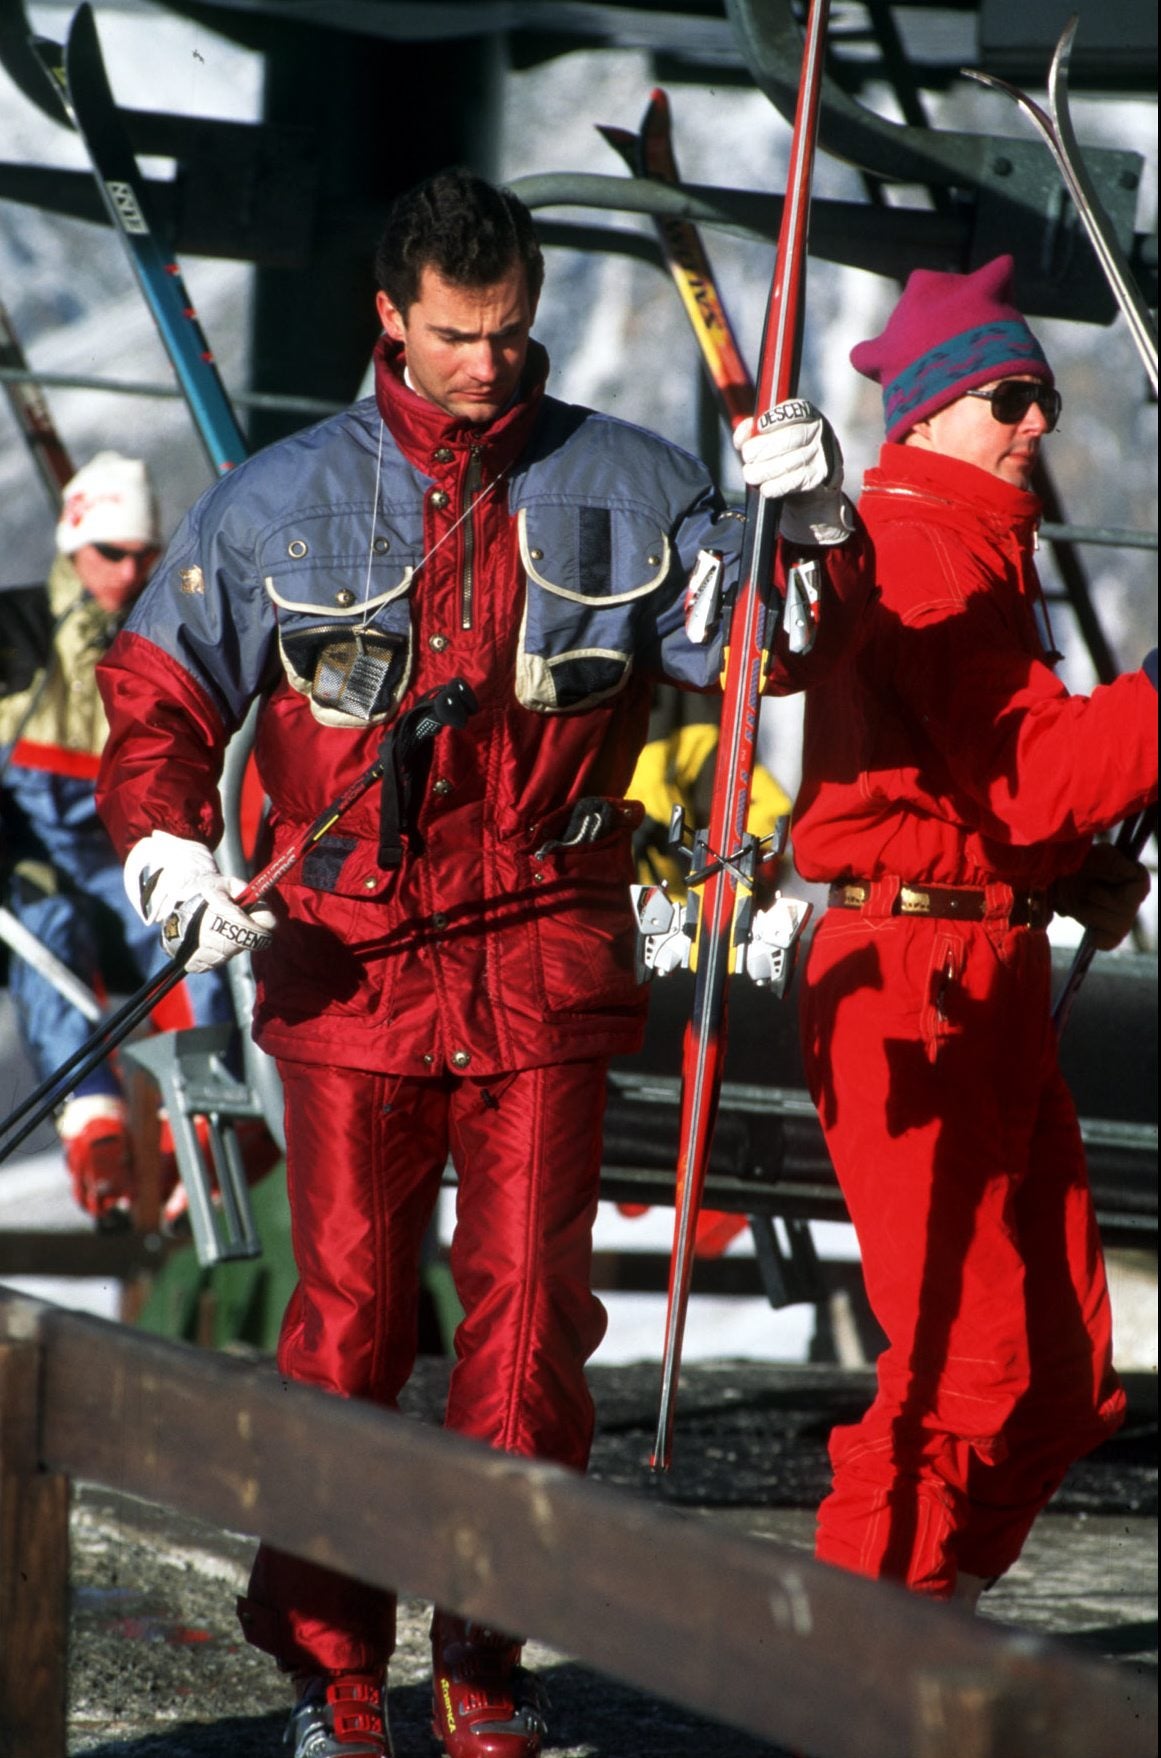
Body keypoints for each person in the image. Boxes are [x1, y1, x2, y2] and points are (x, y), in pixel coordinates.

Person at [93, 168, 873, 1758]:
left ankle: (484, 1659)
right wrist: (165, 847)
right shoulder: (275, 502)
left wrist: (811, 521)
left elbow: (776, 649)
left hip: (542, 964)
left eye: (513, 334)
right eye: (459, 336)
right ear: (391, 317)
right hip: (350, 969)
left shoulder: (636, 483)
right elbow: (158, 698)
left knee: (529, 1333)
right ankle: (331, 1670)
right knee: (351, 1327)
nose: (492, 365)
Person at [790, 255, 1158, 1608]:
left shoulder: (974, 550)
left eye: (1044, 397)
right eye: (1011, 395)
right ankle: (852, 1656)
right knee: (971, 1360)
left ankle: (916, 1622)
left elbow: (975, 793)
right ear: (931, 414)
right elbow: (1030, 770)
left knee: (1056, 1381)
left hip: (976, 969)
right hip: (910, 987)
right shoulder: (919, 549)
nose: (1037, 422)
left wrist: (1058, 878)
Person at [0, 451, 236, 1226]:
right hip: (33, 860)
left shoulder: (163, 639)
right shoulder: (14, 635)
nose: (129, 571)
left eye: (144, 555)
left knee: (198, 948)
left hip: (131, 856)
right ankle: (94, 1131)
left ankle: (194, 1130)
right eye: (111, 552)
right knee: (46, 932)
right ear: (74, 542)